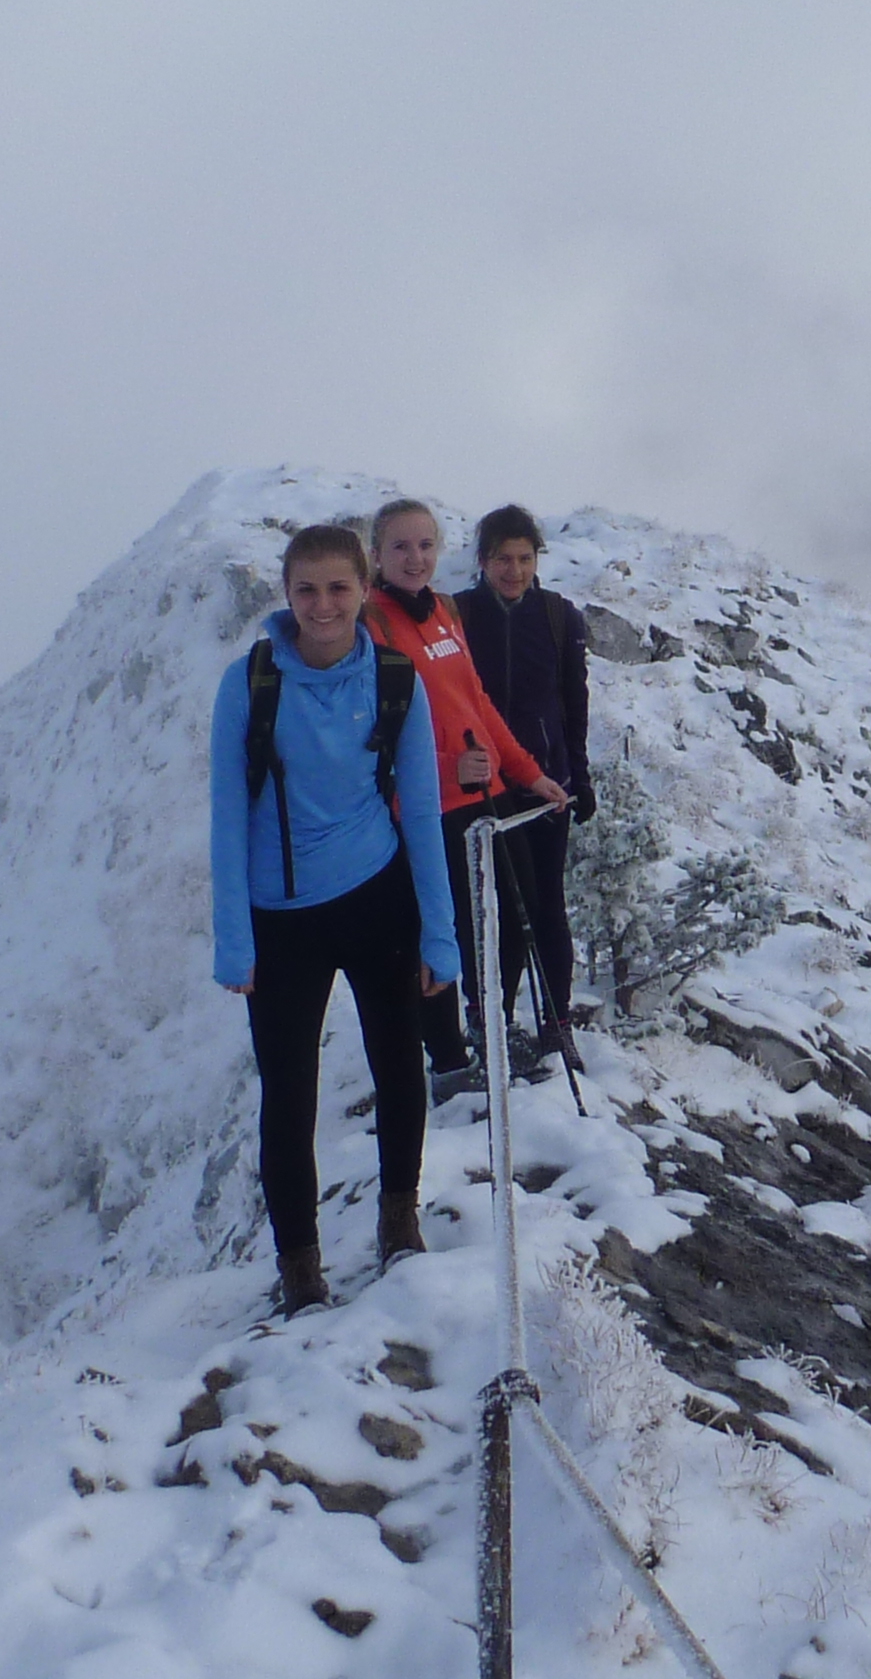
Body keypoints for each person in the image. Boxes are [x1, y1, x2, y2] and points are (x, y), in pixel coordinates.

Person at [210, 523, 458, 1314]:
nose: (323, 605)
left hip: (377, 895)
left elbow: (423, 812)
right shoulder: (250, 683)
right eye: (307, 589)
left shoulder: (394, 679)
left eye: (338, 588)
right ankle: (301, 1271)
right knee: (288, 1095)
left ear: (362, 590)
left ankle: (399, 1221)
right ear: (286, 593)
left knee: (398, 1062)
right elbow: (226, 816)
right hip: (280, 919)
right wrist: (233, 940)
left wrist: (440, 931)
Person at [356, 499, 571, 1098]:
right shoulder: (370, 626)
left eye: (425, 545)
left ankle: (490, 1023)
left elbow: (475, 702)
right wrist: (448, 766)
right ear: (376, 554)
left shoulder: (444, 612)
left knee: (515, 918)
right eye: (400, 547)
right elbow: (371, 735)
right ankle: (448, 1061)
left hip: (487, 796)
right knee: (441, 930)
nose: (415, 558)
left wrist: (528, 774)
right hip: (426, 809)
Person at [452, 503, 596, 1077]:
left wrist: (580, 775)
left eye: (524, 558)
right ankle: (492, 1021)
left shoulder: (559, 617)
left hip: (546, 785)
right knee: (490, 914)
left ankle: (557, 1023)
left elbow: (574, 705)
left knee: (546, 908)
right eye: (502, 559)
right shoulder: (457, 617)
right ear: (482, 561)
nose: (514, 570)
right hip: (480, 789)